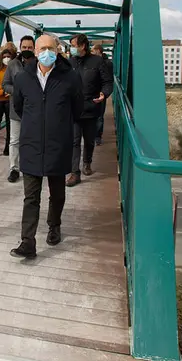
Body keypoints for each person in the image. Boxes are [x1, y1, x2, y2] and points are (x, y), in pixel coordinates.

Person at [9, 35, 83, 259]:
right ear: (36, 51)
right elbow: (20, 107)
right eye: (42, 48)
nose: (46, 52)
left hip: (57, 145)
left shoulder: (70, 77)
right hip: (31, 145)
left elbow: (77, 109)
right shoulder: (23, 78)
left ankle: (54, 226)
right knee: (31, 197)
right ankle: (27, 242)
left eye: (51, 48)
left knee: (57, 193)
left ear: (58, 50)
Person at [67, 34, 113, 187]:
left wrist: (104, 94)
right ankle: (75, 173)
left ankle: (87, 162)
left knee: (89, 140)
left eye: (74, 45)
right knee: (74, 141)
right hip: (73, 109)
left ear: (83, 46)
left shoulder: (98, 61)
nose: (72, 48)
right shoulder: (69, 62)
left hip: (91, 107)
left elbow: (107, 82)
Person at [2, 35, 35, 183]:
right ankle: (14, 169)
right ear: (20, 48)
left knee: (33, 139)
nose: (27, 50)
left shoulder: (39, 63)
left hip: (35, 109)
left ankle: (31, 167)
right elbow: (5, 84)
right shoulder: (13, 64)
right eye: (24, 47)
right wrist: (18, 90)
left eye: (30, 47)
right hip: (16, 109)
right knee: (14, 140)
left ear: (34, 48)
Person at [91, 44, 113, 146]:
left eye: (93, 50)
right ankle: (92, 135)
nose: (91, 52)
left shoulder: (107, 63)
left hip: (101, 93)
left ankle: (97, 136)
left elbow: (109, 80)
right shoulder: (91, 61)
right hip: (90, 92)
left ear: (98, 51)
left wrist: (105, 93)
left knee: (99, 116)